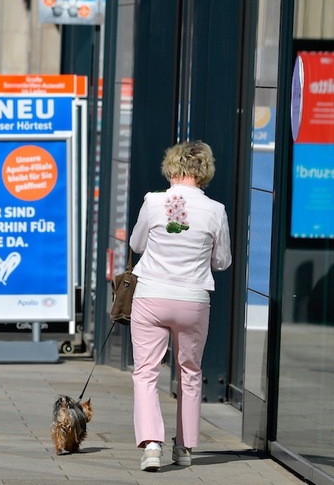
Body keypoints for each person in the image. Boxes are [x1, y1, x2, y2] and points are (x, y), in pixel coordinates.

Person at [128, 140, 232, 472]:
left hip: (151, 296)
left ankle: (152, 445)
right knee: (190, 372)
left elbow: (136, 244)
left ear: (170, 167)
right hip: (192, 299)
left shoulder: (153, 202)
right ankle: (184, 446)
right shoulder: (215, 210)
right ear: (205, 172)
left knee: (145, 372)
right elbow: (223, 260)